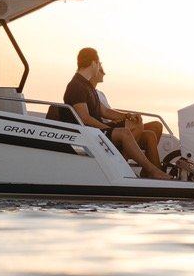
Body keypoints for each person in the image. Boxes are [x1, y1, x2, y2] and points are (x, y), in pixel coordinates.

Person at [47, 47, 173, 180]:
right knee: (124, 133)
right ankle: (149, 170)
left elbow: (104, 111)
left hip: (97, 132)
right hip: (90, 134)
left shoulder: (87, 86)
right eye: (99, 63)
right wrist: (108, 128)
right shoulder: (76, 85)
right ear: (93, 63)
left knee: (136, 124)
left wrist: (126, 115)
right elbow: (84, 118)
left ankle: (130, 166)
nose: (99, 66)